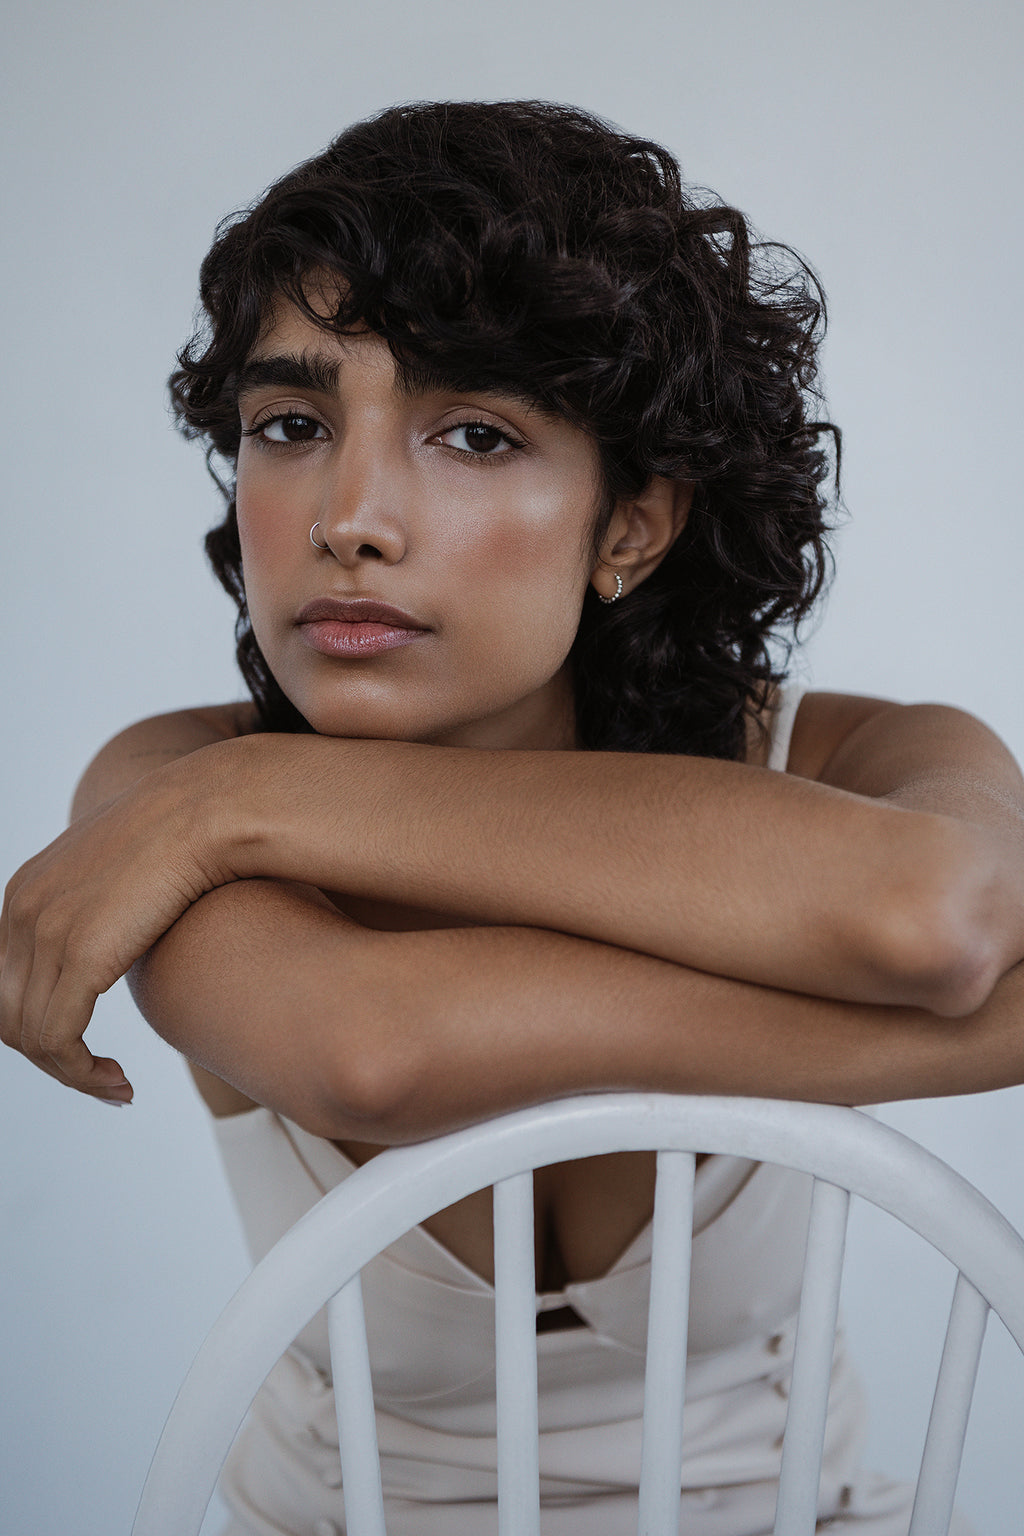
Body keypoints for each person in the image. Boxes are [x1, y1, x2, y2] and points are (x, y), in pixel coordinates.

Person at [2, 100, 1023, 1534]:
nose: (350, 515)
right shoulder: (159, 784)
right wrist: (962, 1036)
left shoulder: (854, 754)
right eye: (291, 424)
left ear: (631, 526)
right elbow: (368, 1052)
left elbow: (940, 911)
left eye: (474, 434)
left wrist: (251, 799)